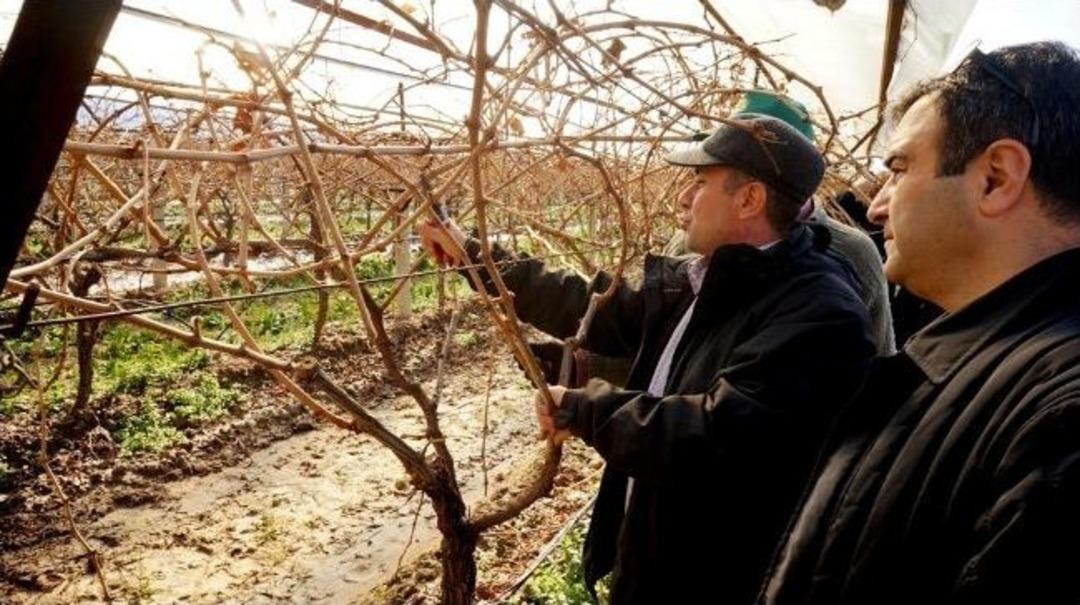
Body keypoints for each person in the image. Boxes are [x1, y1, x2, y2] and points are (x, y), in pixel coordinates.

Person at [420, 113, 875, 603]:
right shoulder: (704, 280)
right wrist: (474, 254)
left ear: (749, 199)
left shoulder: (820, 312)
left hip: (715, 577)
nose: (682, 197)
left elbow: (716, 434)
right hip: (656, 550)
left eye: (699, 182)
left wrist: (586, 408)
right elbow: (585, 304)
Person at [760, 41, 1080, 605]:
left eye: (900, 168)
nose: (877, 206)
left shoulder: (1060, 415)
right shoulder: (972, 361)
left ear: (995, 178)